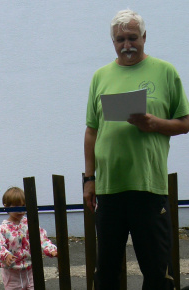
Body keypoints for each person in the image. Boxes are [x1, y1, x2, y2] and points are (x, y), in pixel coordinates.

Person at [83, 9, 189, 290]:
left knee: (156, 271)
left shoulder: (165, 72)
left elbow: (185, 123)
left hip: (148, 186)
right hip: (109, 187)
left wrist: (154, 123)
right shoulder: (100, 76)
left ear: (144, 37)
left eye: (132, 38)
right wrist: (89, 179)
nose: (127, 45)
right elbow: (92, 131)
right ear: (113, 42)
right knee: (105, 272)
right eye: (120, 39)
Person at [0, 187, 57, 290]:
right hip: (12, 271)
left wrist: (51, 249)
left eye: (23, 206)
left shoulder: (29, 224)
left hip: (30, 268)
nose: (21, 210)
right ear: (7, 206)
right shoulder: (2, 229)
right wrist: (5, 255)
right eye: (16, 206)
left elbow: (41, 238)